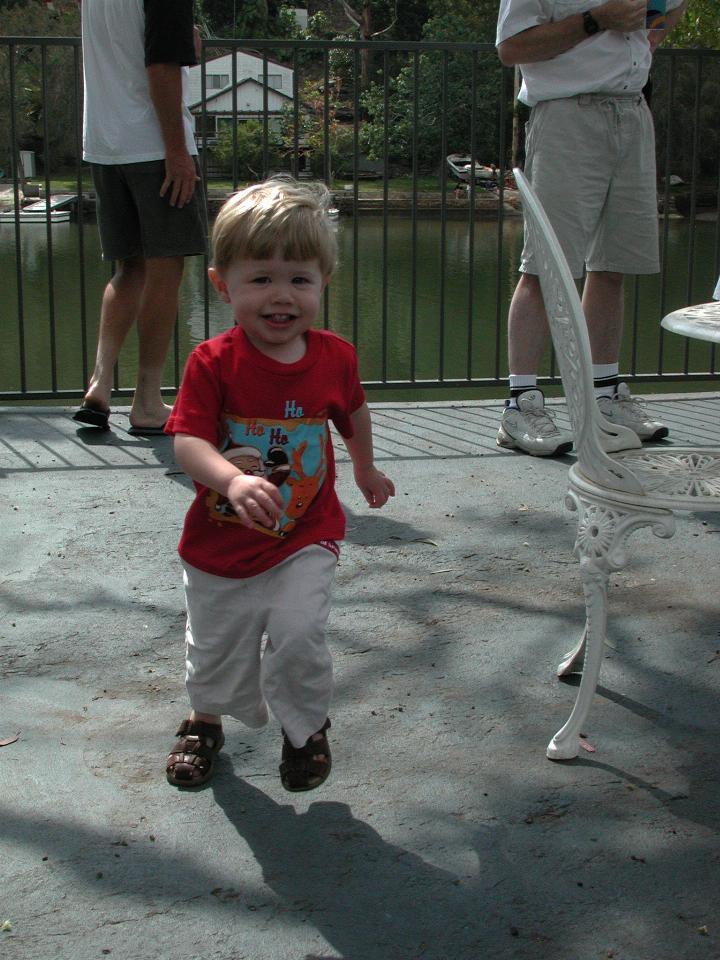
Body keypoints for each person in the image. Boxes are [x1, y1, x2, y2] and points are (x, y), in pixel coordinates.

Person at [164, 178, 395, 791]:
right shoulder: (212, 362)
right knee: (215, 647)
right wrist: (230, 481)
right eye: (260, 279)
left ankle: (305, 729)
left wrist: (364, 467)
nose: (281, 296)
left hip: (304, 533)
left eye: (299, 279)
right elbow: (187, 441)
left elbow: (354, 411)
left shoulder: (335, 357)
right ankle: (204, 719)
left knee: (299, 633)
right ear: (222, 284)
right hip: (222, 538)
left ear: (324, 282)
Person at [495, 0, 687, 457]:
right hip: (565, 115)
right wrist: (596, 20)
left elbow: (671, 7)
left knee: (612, 265)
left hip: (633, 113)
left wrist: (649, 33)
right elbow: (511, 48)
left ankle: (604, 397)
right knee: (545, 266)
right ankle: (520, 406)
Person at [73, 0, 207, 435]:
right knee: (166, 268)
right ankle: (147, 402)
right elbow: (161, 68)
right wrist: (176, 151)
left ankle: (99, 382)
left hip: (104, 141)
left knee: (130, 267)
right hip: (152, 145)